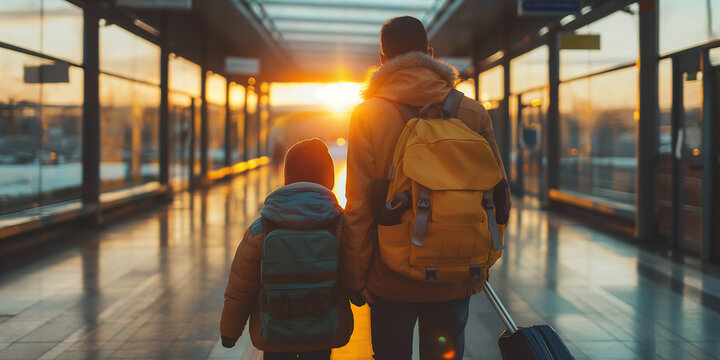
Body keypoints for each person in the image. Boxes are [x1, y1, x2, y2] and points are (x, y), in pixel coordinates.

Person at [342, 16, 511, 360]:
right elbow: (498, 194)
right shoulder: (471, 111)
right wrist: (483, 258)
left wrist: (355, 276)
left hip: (389, 275)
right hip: (454, 269)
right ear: (430, 54)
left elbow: (358, 203)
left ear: (383, 60)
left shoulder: (368, 115)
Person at [220, 138, 354, 360]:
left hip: (274, 334)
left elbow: (239, 289)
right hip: (323, 330)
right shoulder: (339, 226)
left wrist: (229, 333)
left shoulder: (261, 229)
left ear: (287, 179)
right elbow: (353, 274)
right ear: (328, 181)